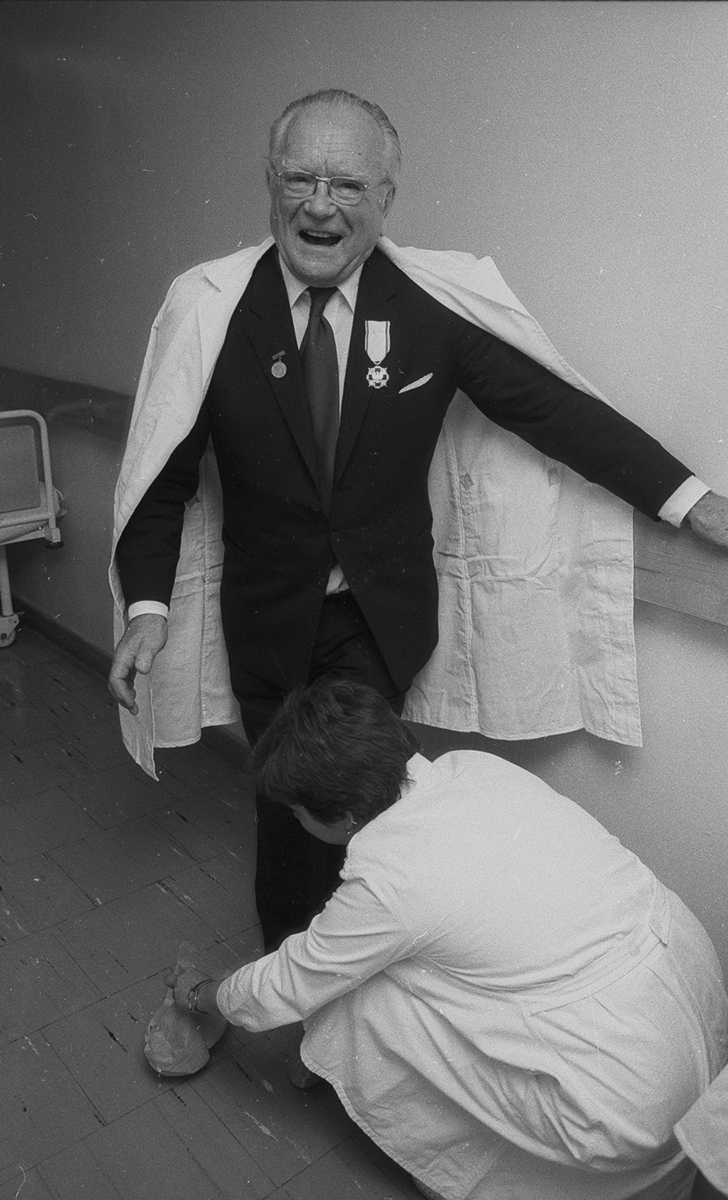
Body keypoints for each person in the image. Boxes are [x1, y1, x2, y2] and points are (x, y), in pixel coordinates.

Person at [108, 88, 728, 948]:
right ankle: (301, 973)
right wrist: (146, 608)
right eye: (299, 178)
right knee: (287, 805)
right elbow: (161, 473)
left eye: (347, 185)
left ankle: (352, 966)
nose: (319, 205)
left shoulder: (430, 306)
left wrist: (690, 502)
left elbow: (555, 411)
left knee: (358, 803)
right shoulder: (213, 310)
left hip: (376, 618)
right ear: (270, 183)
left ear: (386, 198)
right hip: (266, 617)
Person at [166, 678, 728, 1200]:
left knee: (355, 994)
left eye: (296, 812)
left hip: (621, 1107)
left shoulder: (391, 881)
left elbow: (290, 981)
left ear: (347, 814)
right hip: (694, 1007)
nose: (294, 821)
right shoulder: (471, 768)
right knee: (402, 961)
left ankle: (457, 1166)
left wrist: (202, 995)